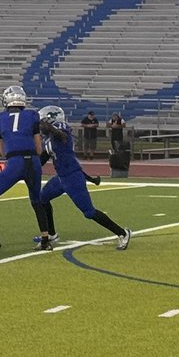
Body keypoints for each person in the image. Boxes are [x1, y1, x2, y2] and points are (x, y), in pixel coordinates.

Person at [37, 105, 131, 250]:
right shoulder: (49, 139)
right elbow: (44, 157)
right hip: (61, 177)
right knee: (42, 199)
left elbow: (61, 135)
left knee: (89, 212)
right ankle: (51, 234)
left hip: (72, 178)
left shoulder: (61, 129)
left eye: (42, 121)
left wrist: (49, 128)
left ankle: (123, 233)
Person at [0, 85, 49, 252]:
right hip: (33, 161)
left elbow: (2, 152)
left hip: (15, 162)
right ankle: (46, 240)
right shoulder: (32, 115)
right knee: (36, 201)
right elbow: (39, 149)